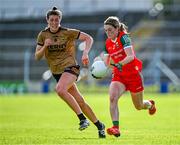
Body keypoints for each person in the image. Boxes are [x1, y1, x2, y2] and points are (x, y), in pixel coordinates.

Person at [34, 6, 105, 138]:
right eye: (52, 20)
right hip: (56, 72)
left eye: (57, 19)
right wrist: (45, 46)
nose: (54, 22)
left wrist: (85, 53)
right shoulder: (43, 35)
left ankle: (82, 119)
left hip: (71, 67)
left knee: (60, 89)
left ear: (60, 19)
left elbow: (88, 38)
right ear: (47, 20)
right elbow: (37, 57)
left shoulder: (67, 32)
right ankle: (100, 126)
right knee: (80, 101)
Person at [95, 16, 156, 137]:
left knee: (139, 106)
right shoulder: (107, 43)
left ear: (117, 28)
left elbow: (131, 56)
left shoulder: (124, 37)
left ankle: (150, 104)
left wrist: (118, 64)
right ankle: (115, 128)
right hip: (119, 76)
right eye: (106, 30)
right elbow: (107, 62)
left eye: (110, 30)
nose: (108, 33)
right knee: (112, 98)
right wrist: (99, 64)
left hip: (134, 76)